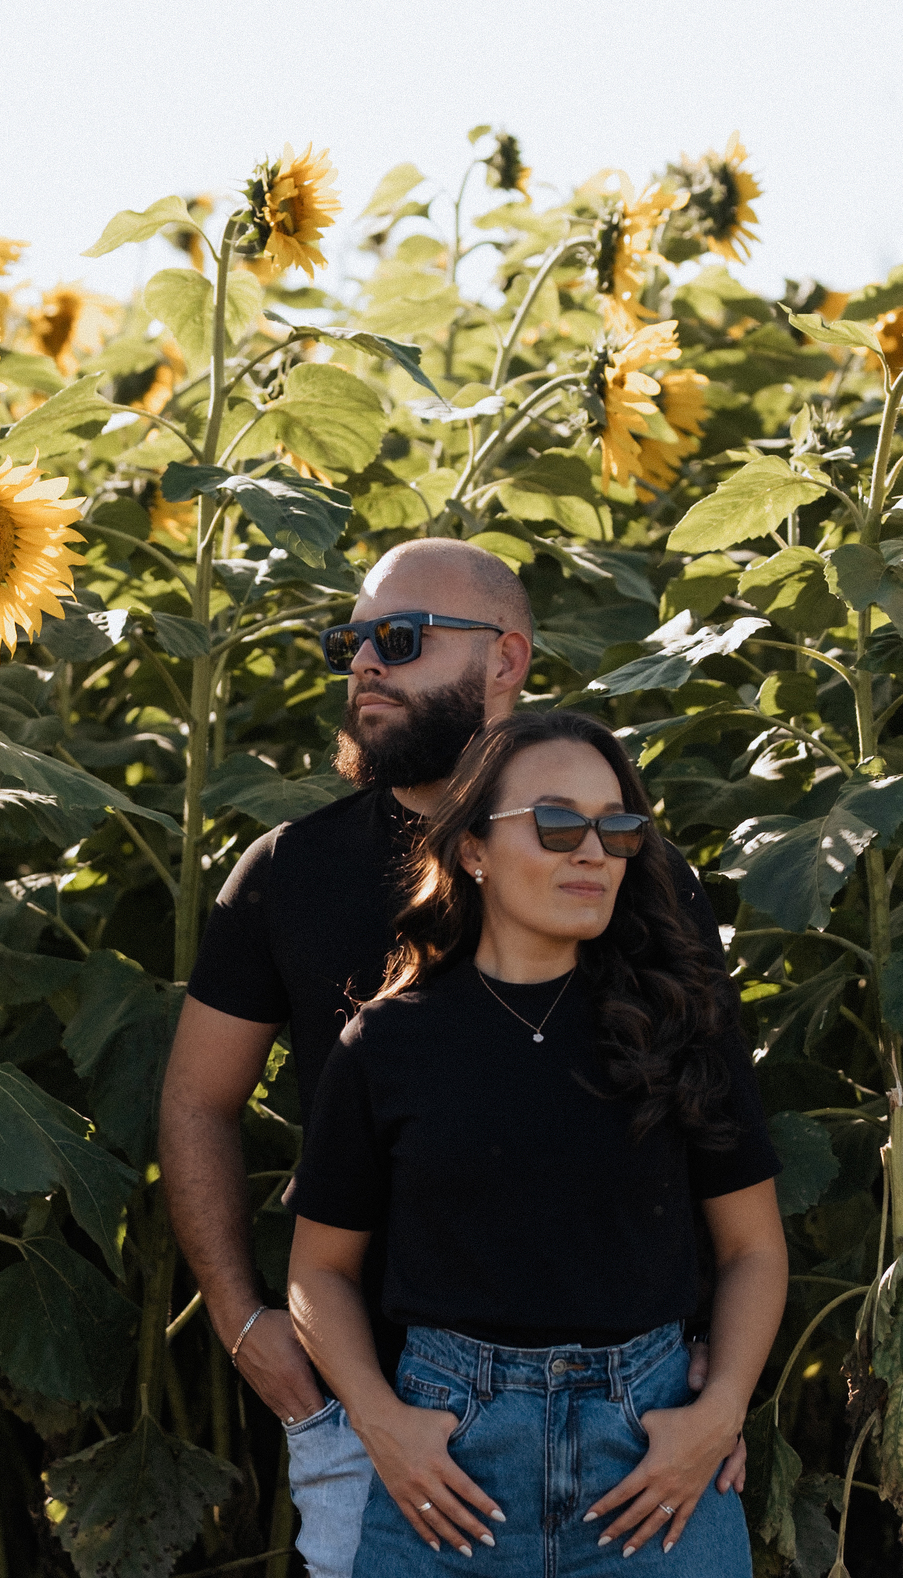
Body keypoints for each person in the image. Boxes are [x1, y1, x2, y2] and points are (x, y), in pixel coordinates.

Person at [159, 540, 748, 1578]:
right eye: (351, 642)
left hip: (637, 1440)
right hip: (371, 1415)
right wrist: (245, 1322)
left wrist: (707, 1398)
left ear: (507, 658)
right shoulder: (290, 871)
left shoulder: (624, 874)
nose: (365, 665)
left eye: (400, 638)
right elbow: (199, 1101)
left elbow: (709, 1138)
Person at [287, 711, 788, 1575]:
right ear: (473, 848)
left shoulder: (679, 1026)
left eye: (617, 827)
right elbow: (317, 1269)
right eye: (557, 824)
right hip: (446, 1474)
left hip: (653, 1469)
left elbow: (754, 1248)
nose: (592, 850)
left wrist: (722, 1410)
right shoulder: (387, 1045)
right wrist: (380, 1421)